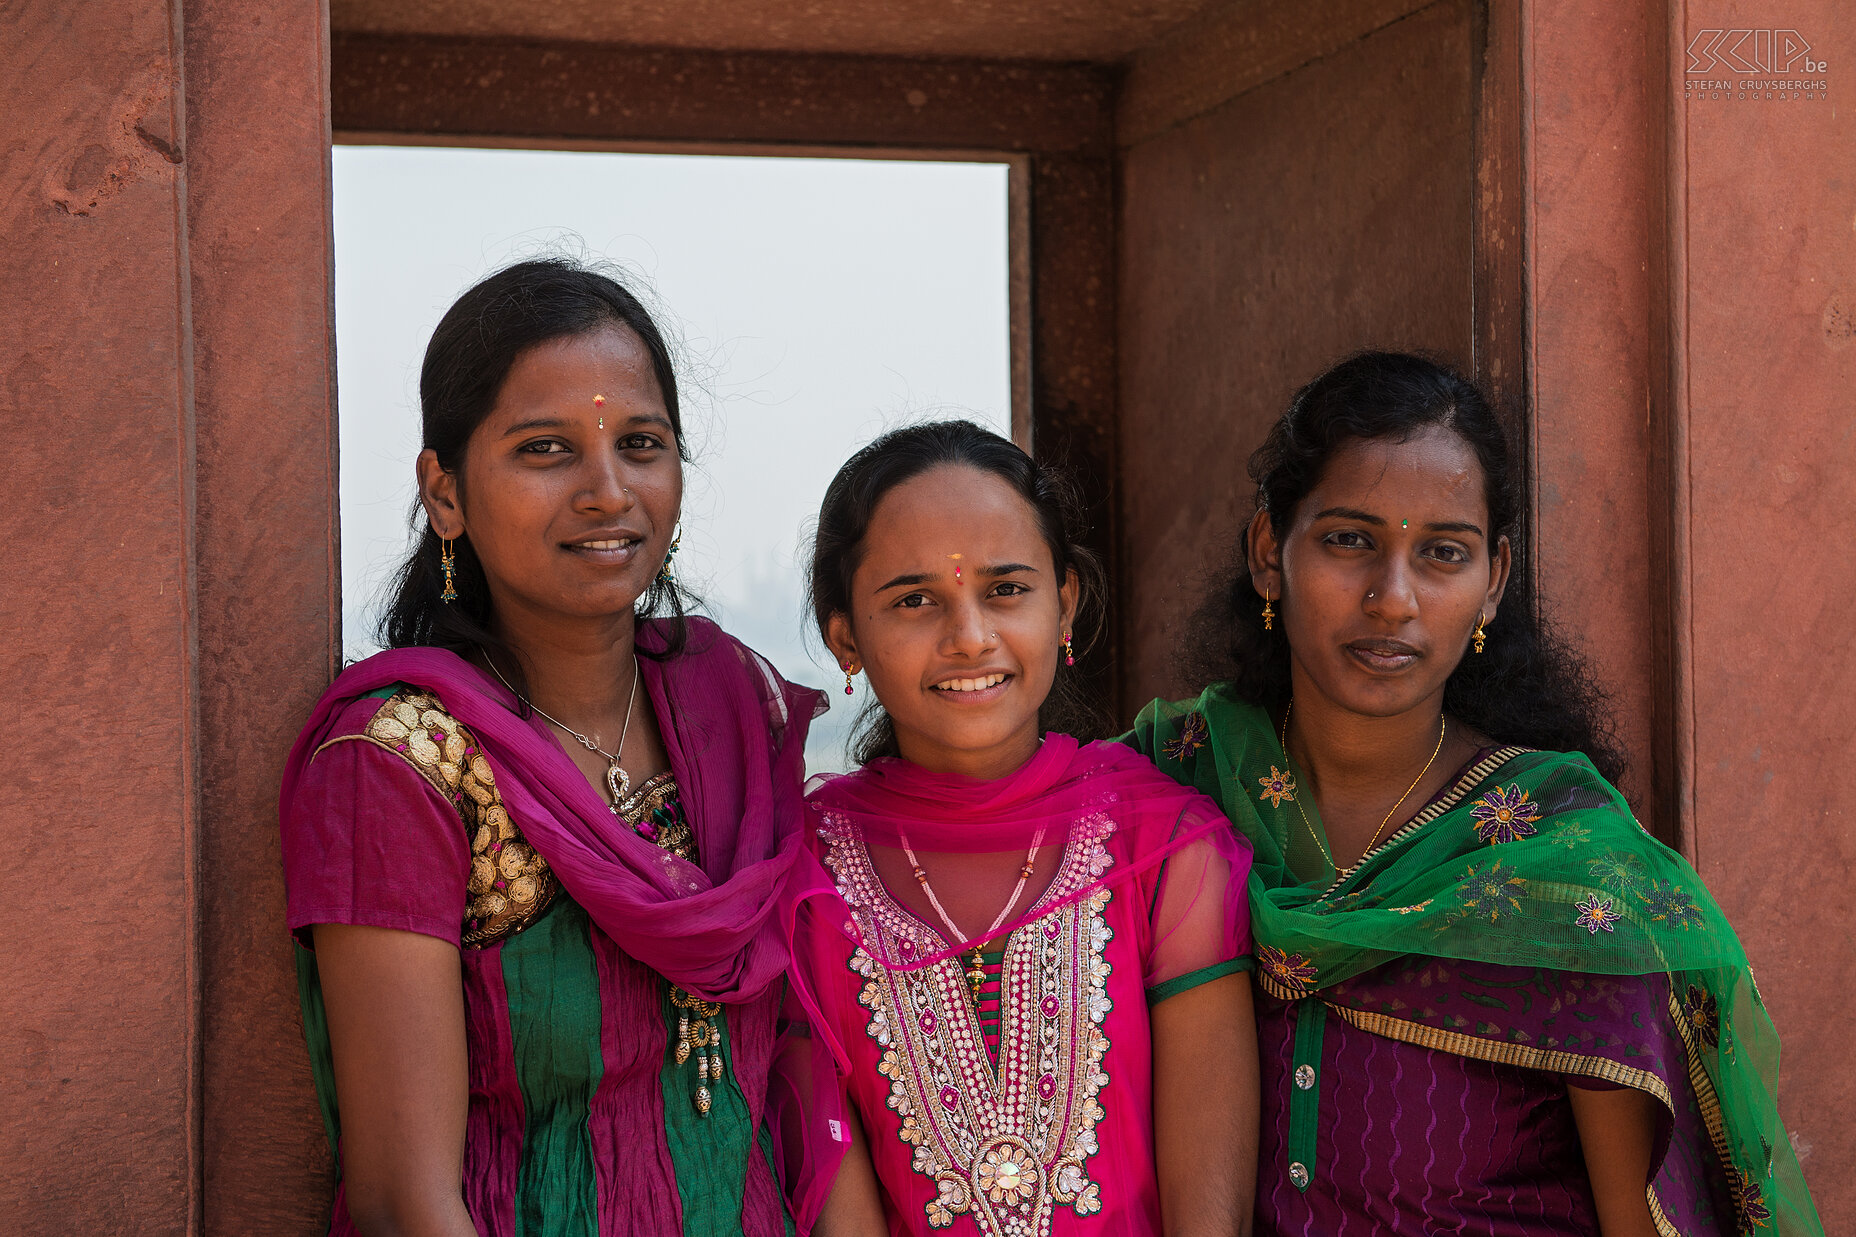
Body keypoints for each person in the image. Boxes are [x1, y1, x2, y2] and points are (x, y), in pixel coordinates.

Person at [1125, 352, 1823, 1237]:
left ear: (1492, 581)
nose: (1393, 597)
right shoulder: (1167, 787)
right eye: (1349, 540)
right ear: (1271, 552)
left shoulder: (1566, 872)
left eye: (1442, 554)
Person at [279, 258, 825, 1236]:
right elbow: (405, 1201)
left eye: (642, 443)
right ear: (443, 495)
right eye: (546, 449)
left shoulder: (733, 703)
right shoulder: (399, 762)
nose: (607, 490)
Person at [788, 421, 1260, 1237]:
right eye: (914, 600)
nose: (971, 635)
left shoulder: (1166, 848)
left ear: (1065, 602)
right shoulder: (802, 874)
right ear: (845, 638)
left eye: (1006, 589)